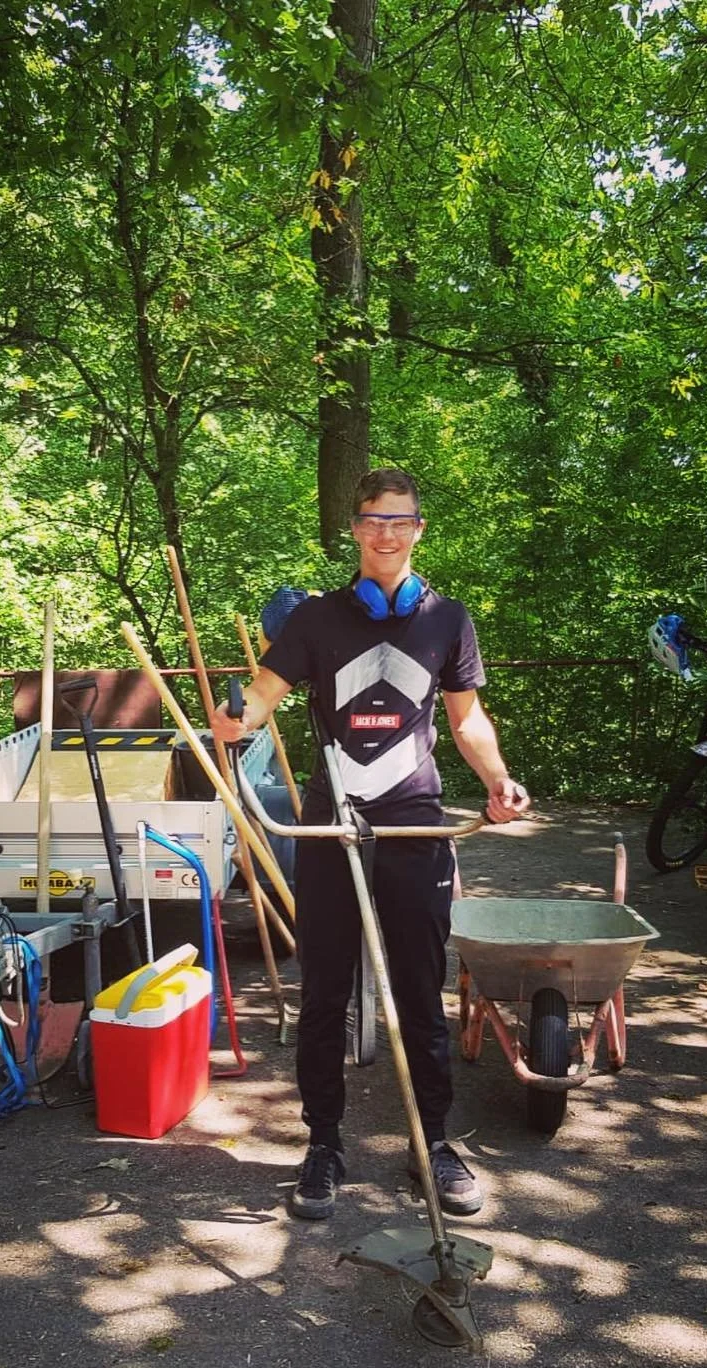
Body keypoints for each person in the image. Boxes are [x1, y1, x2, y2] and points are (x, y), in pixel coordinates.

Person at [211, 468, 531, 1220]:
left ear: (419, 528)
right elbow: (264, 694)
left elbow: (466, 719)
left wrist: (498, 779)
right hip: (333, 826)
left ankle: (434, 1143)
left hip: (415, 823)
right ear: (354, 529)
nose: (386, 533)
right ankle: (323, 1143)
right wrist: (238, 720)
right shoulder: (315, 620)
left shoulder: (448, 620)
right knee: (324, 992)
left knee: (419, 991)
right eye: (372, 520)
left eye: (399, 521)